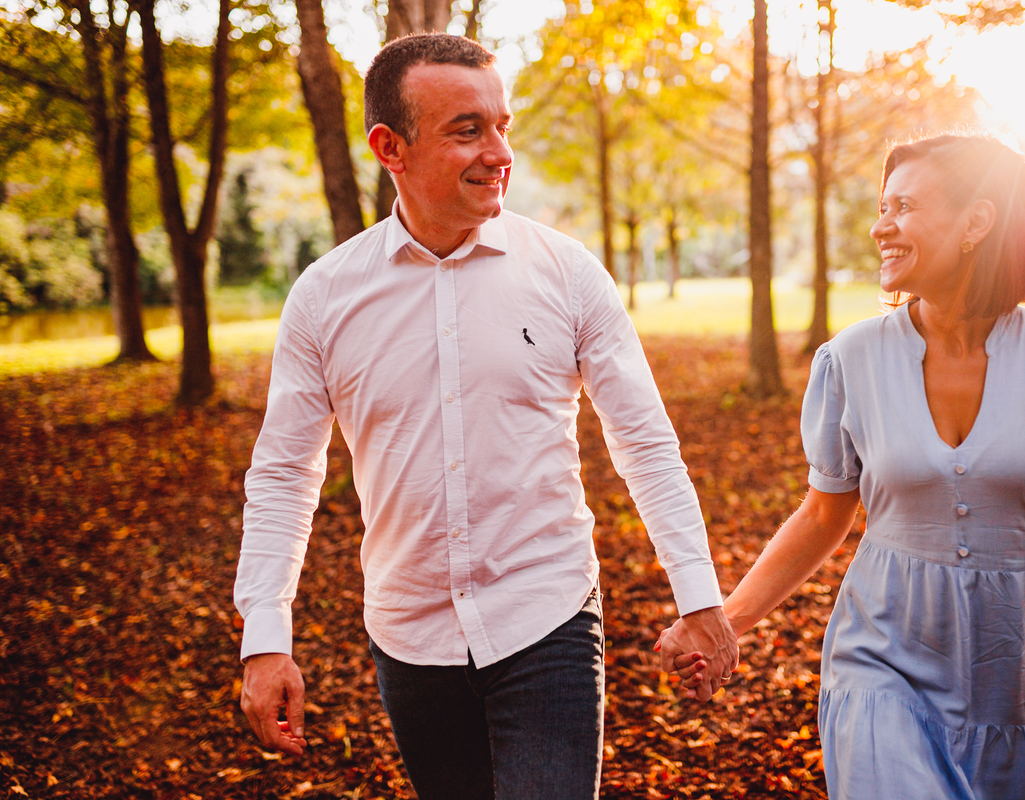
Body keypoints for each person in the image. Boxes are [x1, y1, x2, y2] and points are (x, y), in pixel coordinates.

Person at [233, 33, 738, 800]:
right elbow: (283, 475)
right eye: (468, 130)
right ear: (389, 147)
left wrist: (698, 598)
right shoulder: (324, 298)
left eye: (503, 126)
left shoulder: (567, 274)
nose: (500, 152)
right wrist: (264, 639)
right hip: (408, 636)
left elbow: (645, 443)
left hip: (547, 617)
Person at [658, 133, 1025, 799]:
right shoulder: (849, 360)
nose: (880, 226)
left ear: (976, 222)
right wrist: (727, 624)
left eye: (904, 206)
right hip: (882, 658)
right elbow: (824, 513)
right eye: (882, 207)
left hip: (1022, 671)